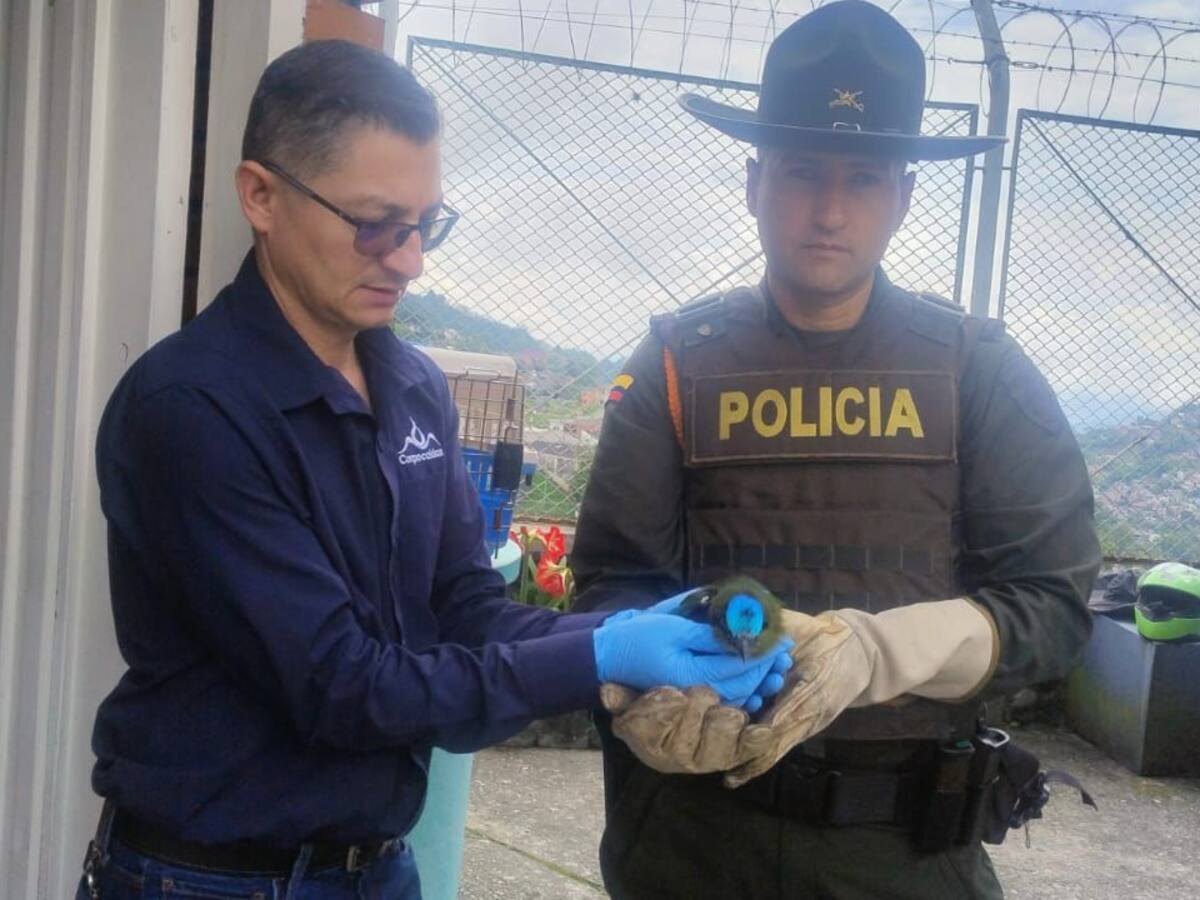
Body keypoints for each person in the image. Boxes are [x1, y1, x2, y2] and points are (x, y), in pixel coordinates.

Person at [77, 40, 793, 900]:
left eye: (427, 225)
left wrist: (644, 635)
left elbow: (465, 608)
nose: (410, 260)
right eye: (376, 224)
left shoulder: (410, 386)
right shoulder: (191, 412)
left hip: (378, 865)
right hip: (210, 879)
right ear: (260, 195)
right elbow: (341, 686)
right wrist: (600, 654)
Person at [572, 2, 1102, 897]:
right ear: (752, 183)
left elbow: (1053, 607)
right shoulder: (676, 362)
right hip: (699, 844)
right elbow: (612, 585)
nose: (828, 209)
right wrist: (648, 691)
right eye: (800, 172)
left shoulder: (975, 370)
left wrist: (886, 650)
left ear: (902, 195)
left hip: (903, 852)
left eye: (862, 178)